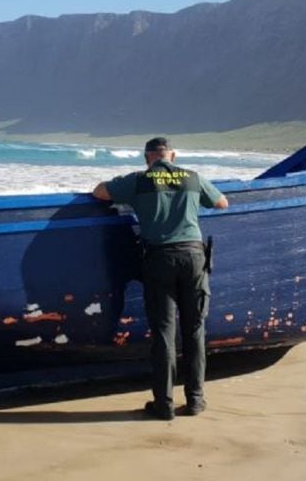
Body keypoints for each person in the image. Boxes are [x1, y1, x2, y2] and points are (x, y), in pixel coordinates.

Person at [93, 138, 228, 420]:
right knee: (194, 330)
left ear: (147, 158)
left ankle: (164, 404)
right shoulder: (192, 177)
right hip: (193, 257)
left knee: (164, 334)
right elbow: (221, 203)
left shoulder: (139, 180)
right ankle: (195, 400)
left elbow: (100, 192)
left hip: (159, 260)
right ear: (173, 156)